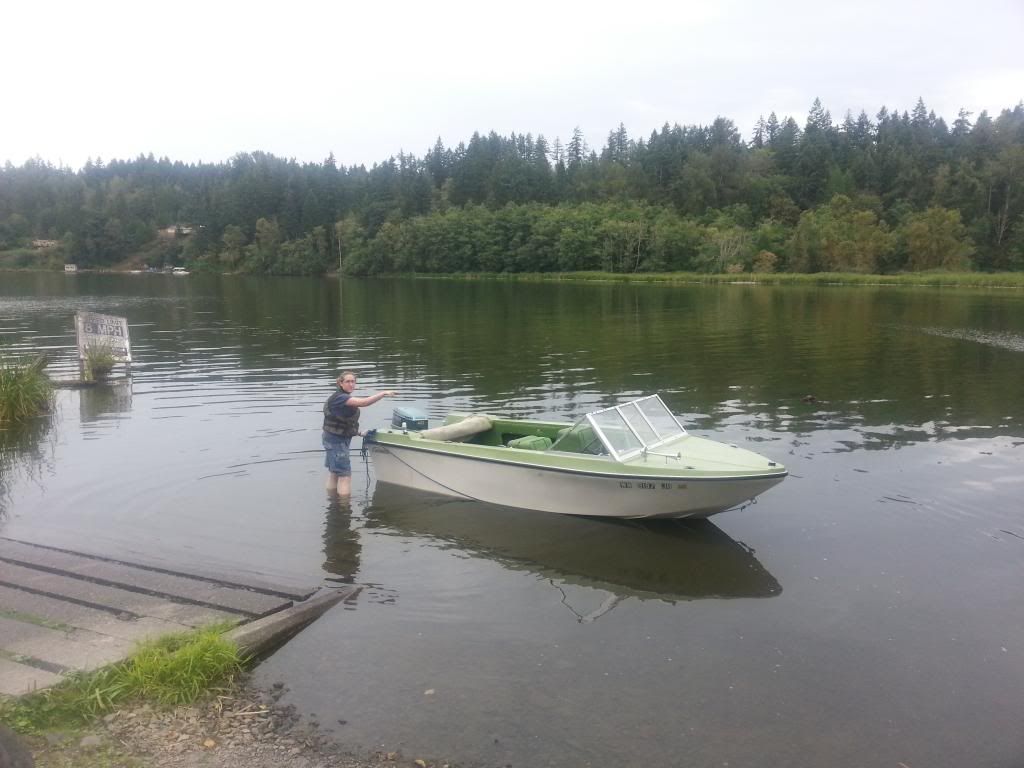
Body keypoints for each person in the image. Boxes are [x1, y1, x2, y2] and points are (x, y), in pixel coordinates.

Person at [323, 371, 395, 496]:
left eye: (353, 381)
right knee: (345, 476)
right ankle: (344, 508)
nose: (351, 384)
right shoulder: (340, 398)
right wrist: (382, 393)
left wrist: (359, 433)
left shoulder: (340, 397)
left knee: (335, 473)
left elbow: (341, 422)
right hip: (336, 442)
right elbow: (364, 402)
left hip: (332, 439)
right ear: (340, 383)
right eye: (348, 381)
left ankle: (333, 501)